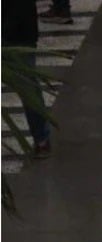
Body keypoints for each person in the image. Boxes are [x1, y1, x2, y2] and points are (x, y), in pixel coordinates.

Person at [4, 0, 52, 158]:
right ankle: (41, 139)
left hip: (17, 32)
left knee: (28, 86)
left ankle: (42, 138)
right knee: (28, 86)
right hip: (17, 30)